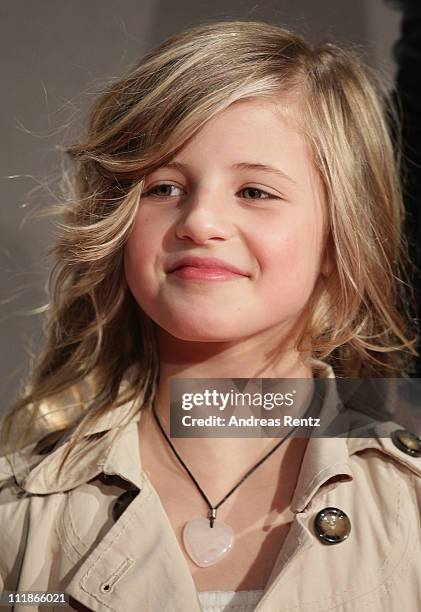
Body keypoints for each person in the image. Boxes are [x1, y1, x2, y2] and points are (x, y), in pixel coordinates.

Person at [1, 18, 421, 612]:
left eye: (255, 192)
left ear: (338, 238)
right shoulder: (16, 524)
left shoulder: (413, 509)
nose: (200, 222)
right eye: (164, 188)